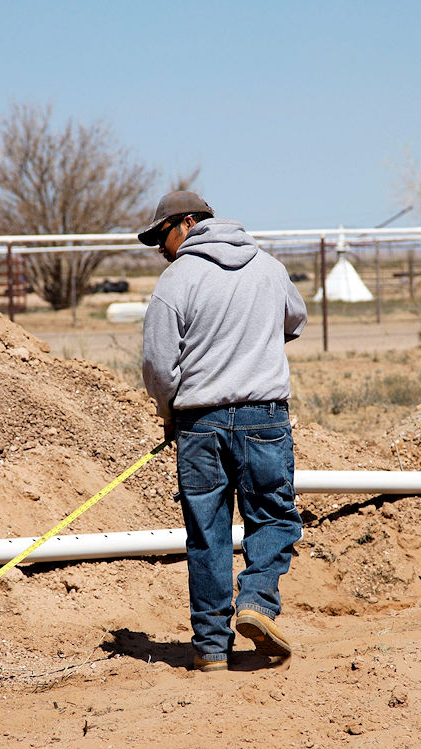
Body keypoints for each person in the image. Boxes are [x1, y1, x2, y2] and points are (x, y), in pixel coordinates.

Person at [138, 190, 307, 672]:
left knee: (207, 532)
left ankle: (211, 649)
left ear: (188, 223)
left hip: (199, 424)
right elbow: (295, 321)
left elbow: (157, 364)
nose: (161, 250)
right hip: (264, 418)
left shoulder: (177, 280)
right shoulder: (269, 268)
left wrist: (168, 410)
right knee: (273, 518)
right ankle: (256, 601)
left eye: (162, 237)